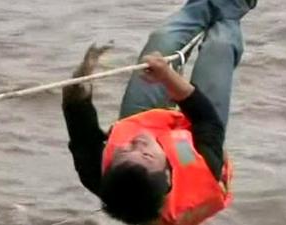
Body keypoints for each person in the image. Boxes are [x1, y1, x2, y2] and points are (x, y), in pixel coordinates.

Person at [62, 0, 257, 224]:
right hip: (194, 136)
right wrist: (167, 77)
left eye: (124, 152)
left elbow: (80, 128)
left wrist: (78, 86)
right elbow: (204, 117)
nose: (138, 143)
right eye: (146, 155)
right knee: (219, 46)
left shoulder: (98, 175)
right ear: (166, 175)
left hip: (145, 119)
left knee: (162, 40)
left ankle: (205, 4)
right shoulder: (203, 170)